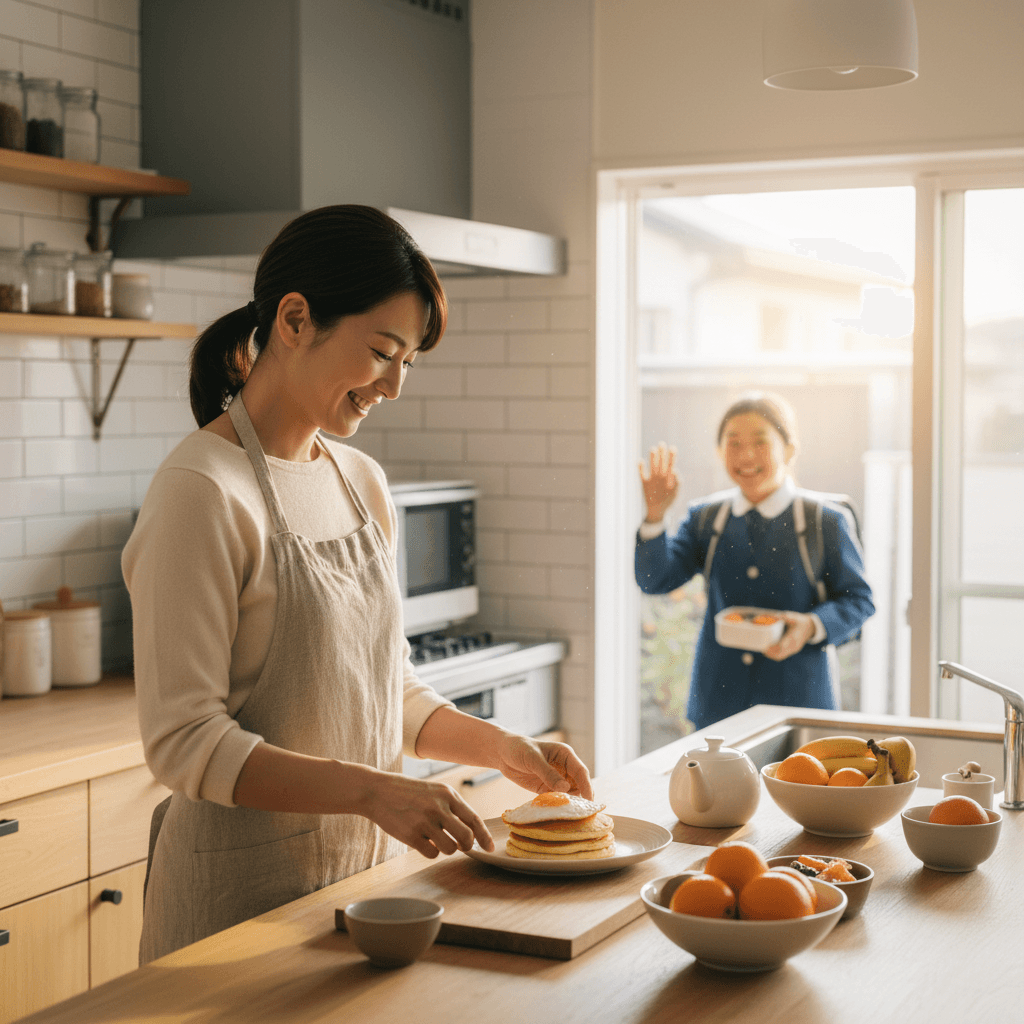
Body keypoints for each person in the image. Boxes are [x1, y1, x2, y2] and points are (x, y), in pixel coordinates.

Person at [123, 205, 592, 963]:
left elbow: (385, 692)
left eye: (409, 361)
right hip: (233, 915)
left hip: (363, 889)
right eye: (382, 352)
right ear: (295, 320)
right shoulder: (200, 489)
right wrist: (374, 791)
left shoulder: (362, 483)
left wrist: (503, 749)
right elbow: (183, 742)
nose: (394, 385)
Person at [635, 391, 874, 731]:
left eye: (760, 442)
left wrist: (810, 626)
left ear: (789, 450)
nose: (746, 455)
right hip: (718, 705)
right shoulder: (706, 518)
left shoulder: (825, 521)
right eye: (733, 443)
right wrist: (655, 515)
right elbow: (655, 580)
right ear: (719, 452)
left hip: (799, 706)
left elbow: (859, 600)